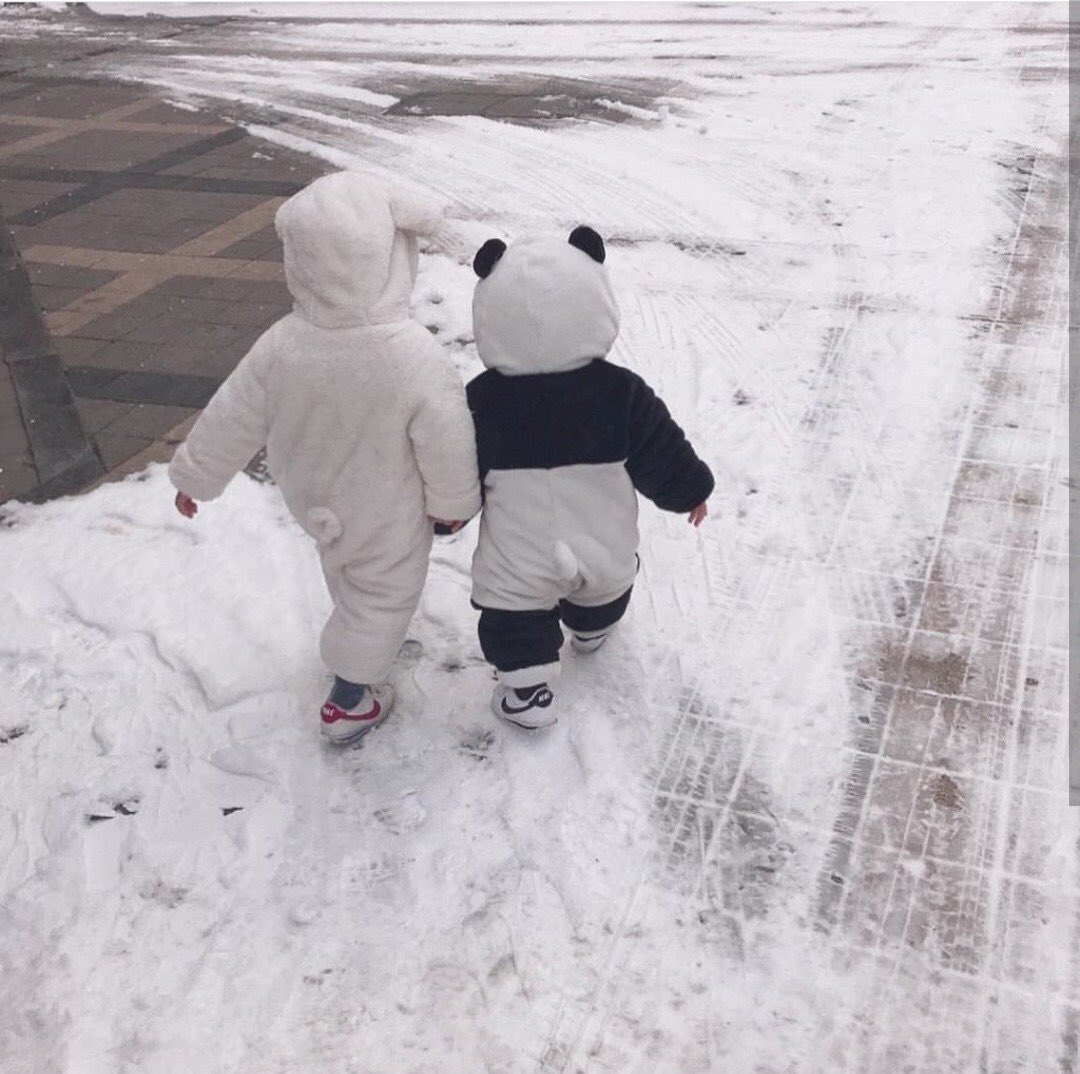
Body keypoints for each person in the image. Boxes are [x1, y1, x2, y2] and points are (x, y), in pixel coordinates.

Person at [169, 172, 480, 745]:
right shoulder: (409, 351)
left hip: (315, 497)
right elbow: (446, 435)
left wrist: (198, 474)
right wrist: (454, 504)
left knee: (345, 567)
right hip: (387, 503)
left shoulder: (283, 341)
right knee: (387, 587)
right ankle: (350, 697)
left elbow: (234, 411)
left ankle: (361, 638)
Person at [466, 226, 713, 729]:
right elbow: (659, 448)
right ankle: (591, 627)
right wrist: (690, 490)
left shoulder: (481, 401)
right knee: (605, 587)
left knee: (512, 611)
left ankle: (526, 689)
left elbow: (455, 467)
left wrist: (447, 513)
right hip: (602, 541)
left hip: (520, 549)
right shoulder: (620, 392)